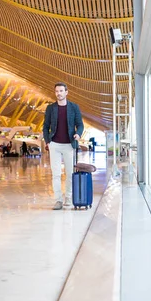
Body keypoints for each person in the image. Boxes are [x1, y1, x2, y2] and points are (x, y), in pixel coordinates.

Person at [42, 82, 84, 210]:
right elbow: (46, 126)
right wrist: (48, 141)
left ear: (66, 92)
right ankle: (58, 200)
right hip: (54, 144)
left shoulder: (74, 107)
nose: (58, 93)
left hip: (69, 145)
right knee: (56, 174)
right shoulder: (51, 108)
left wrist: (78, 134)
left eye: (61, 91)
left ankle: (68, 198)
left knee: (70, 173)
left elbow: (80, 124)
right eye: (56, 91)